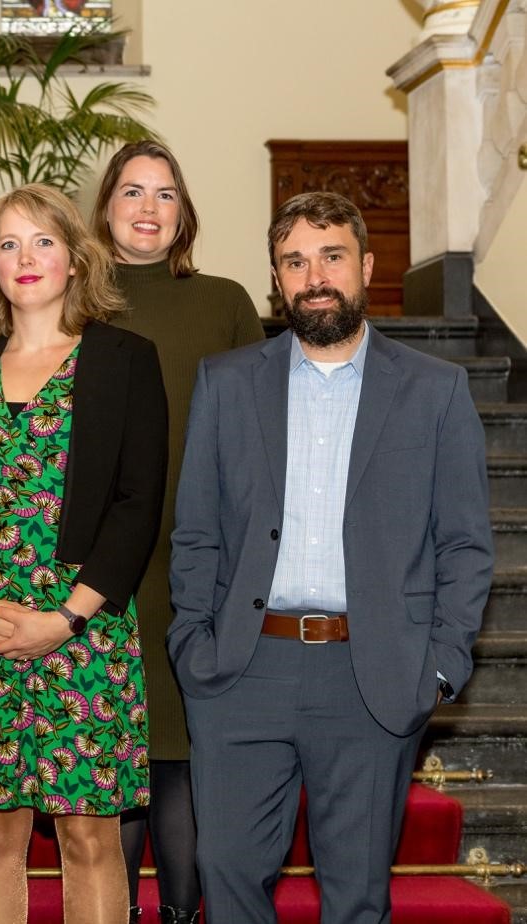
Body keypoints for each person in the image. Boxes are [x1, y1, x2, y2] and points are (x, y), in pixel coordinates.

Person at [169, 191, 493, 924]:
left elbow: (467, 544)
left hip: (372, 673)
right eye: (294, 261)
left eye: (331, 256)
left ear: (367, 267)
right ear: (277, 279)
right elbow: (197, 531)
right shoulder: (226, 383)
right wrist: (195, 644)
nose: (314, 275)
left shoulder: (436, 392)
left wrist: (438, 666)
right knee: (226, 872)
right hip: (243, 670)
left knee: (355, 894)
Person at [0, 183, 166, 924]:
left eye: (44, 241)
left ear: (77, 259)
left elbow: (136, 503)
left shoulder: (125, 360)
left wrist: (65, 618)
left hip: (82, 627)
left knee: (89, 835)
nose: (27, 258)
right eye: (9, 244)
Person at [89, 139, 264, 924]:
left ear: (183, 212)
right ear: (106, 208)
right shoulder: (71, 301)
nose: (148, 208)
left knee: (183, 746)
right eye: (133, 192)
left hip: (202, 555)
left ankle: (184, 913)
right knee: (118, 751)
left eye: (165, 194)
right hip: (103, 560)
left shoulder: (224, 301)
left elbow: (264, 435)